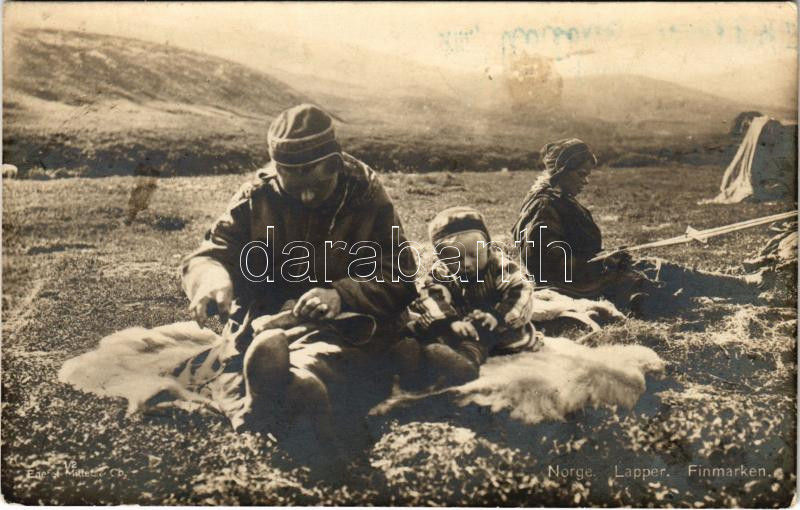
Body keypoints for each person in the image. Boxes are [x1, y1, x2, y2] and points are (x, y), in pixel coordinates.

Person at [179, 104, 418, 449]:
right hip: (270, 318)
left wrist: (342, 294)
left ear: (335, 164)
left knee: (347, 351)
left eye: (316, 189)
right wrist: (213, 279)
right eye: (296, 190)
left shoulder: (366, 193)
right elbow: (210, 254)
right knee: (244, 352)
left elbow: (399, 272)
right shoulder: (256, 196)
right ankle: (278, 388)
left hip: (346, 319)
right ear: (277, 173)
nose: (306, 198)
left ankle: (286, 389)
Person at [511, 138, 761, 316]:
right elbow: (544, 264)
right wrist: (605, 263)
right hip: (570, 285)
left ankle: (744, 285)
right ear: (561, 172)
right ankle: (745, 286)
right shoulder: (544, 206)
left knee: (657, 267)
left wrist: (606, 258)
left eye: (588, 175)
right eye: (581, 175)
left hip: (584, 276)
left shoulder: (557, 199)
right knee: (657, 285)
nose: (585, 181)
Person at [407, 206, 541, 386]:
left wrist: (497, 316)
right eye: (455, 259)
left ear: (487, 247)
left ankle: (466, 362)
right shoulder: (441, 274)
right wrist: (451, 321)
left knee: (480, 339)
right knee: (424, 325)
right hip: (459, 325)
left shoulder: (501, 268)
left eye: (474, 255)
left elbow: (520, 292)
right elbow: (430, 296)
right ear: (442, 259)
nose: (467, 264)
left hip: (498, 327)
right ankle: (411, 350)